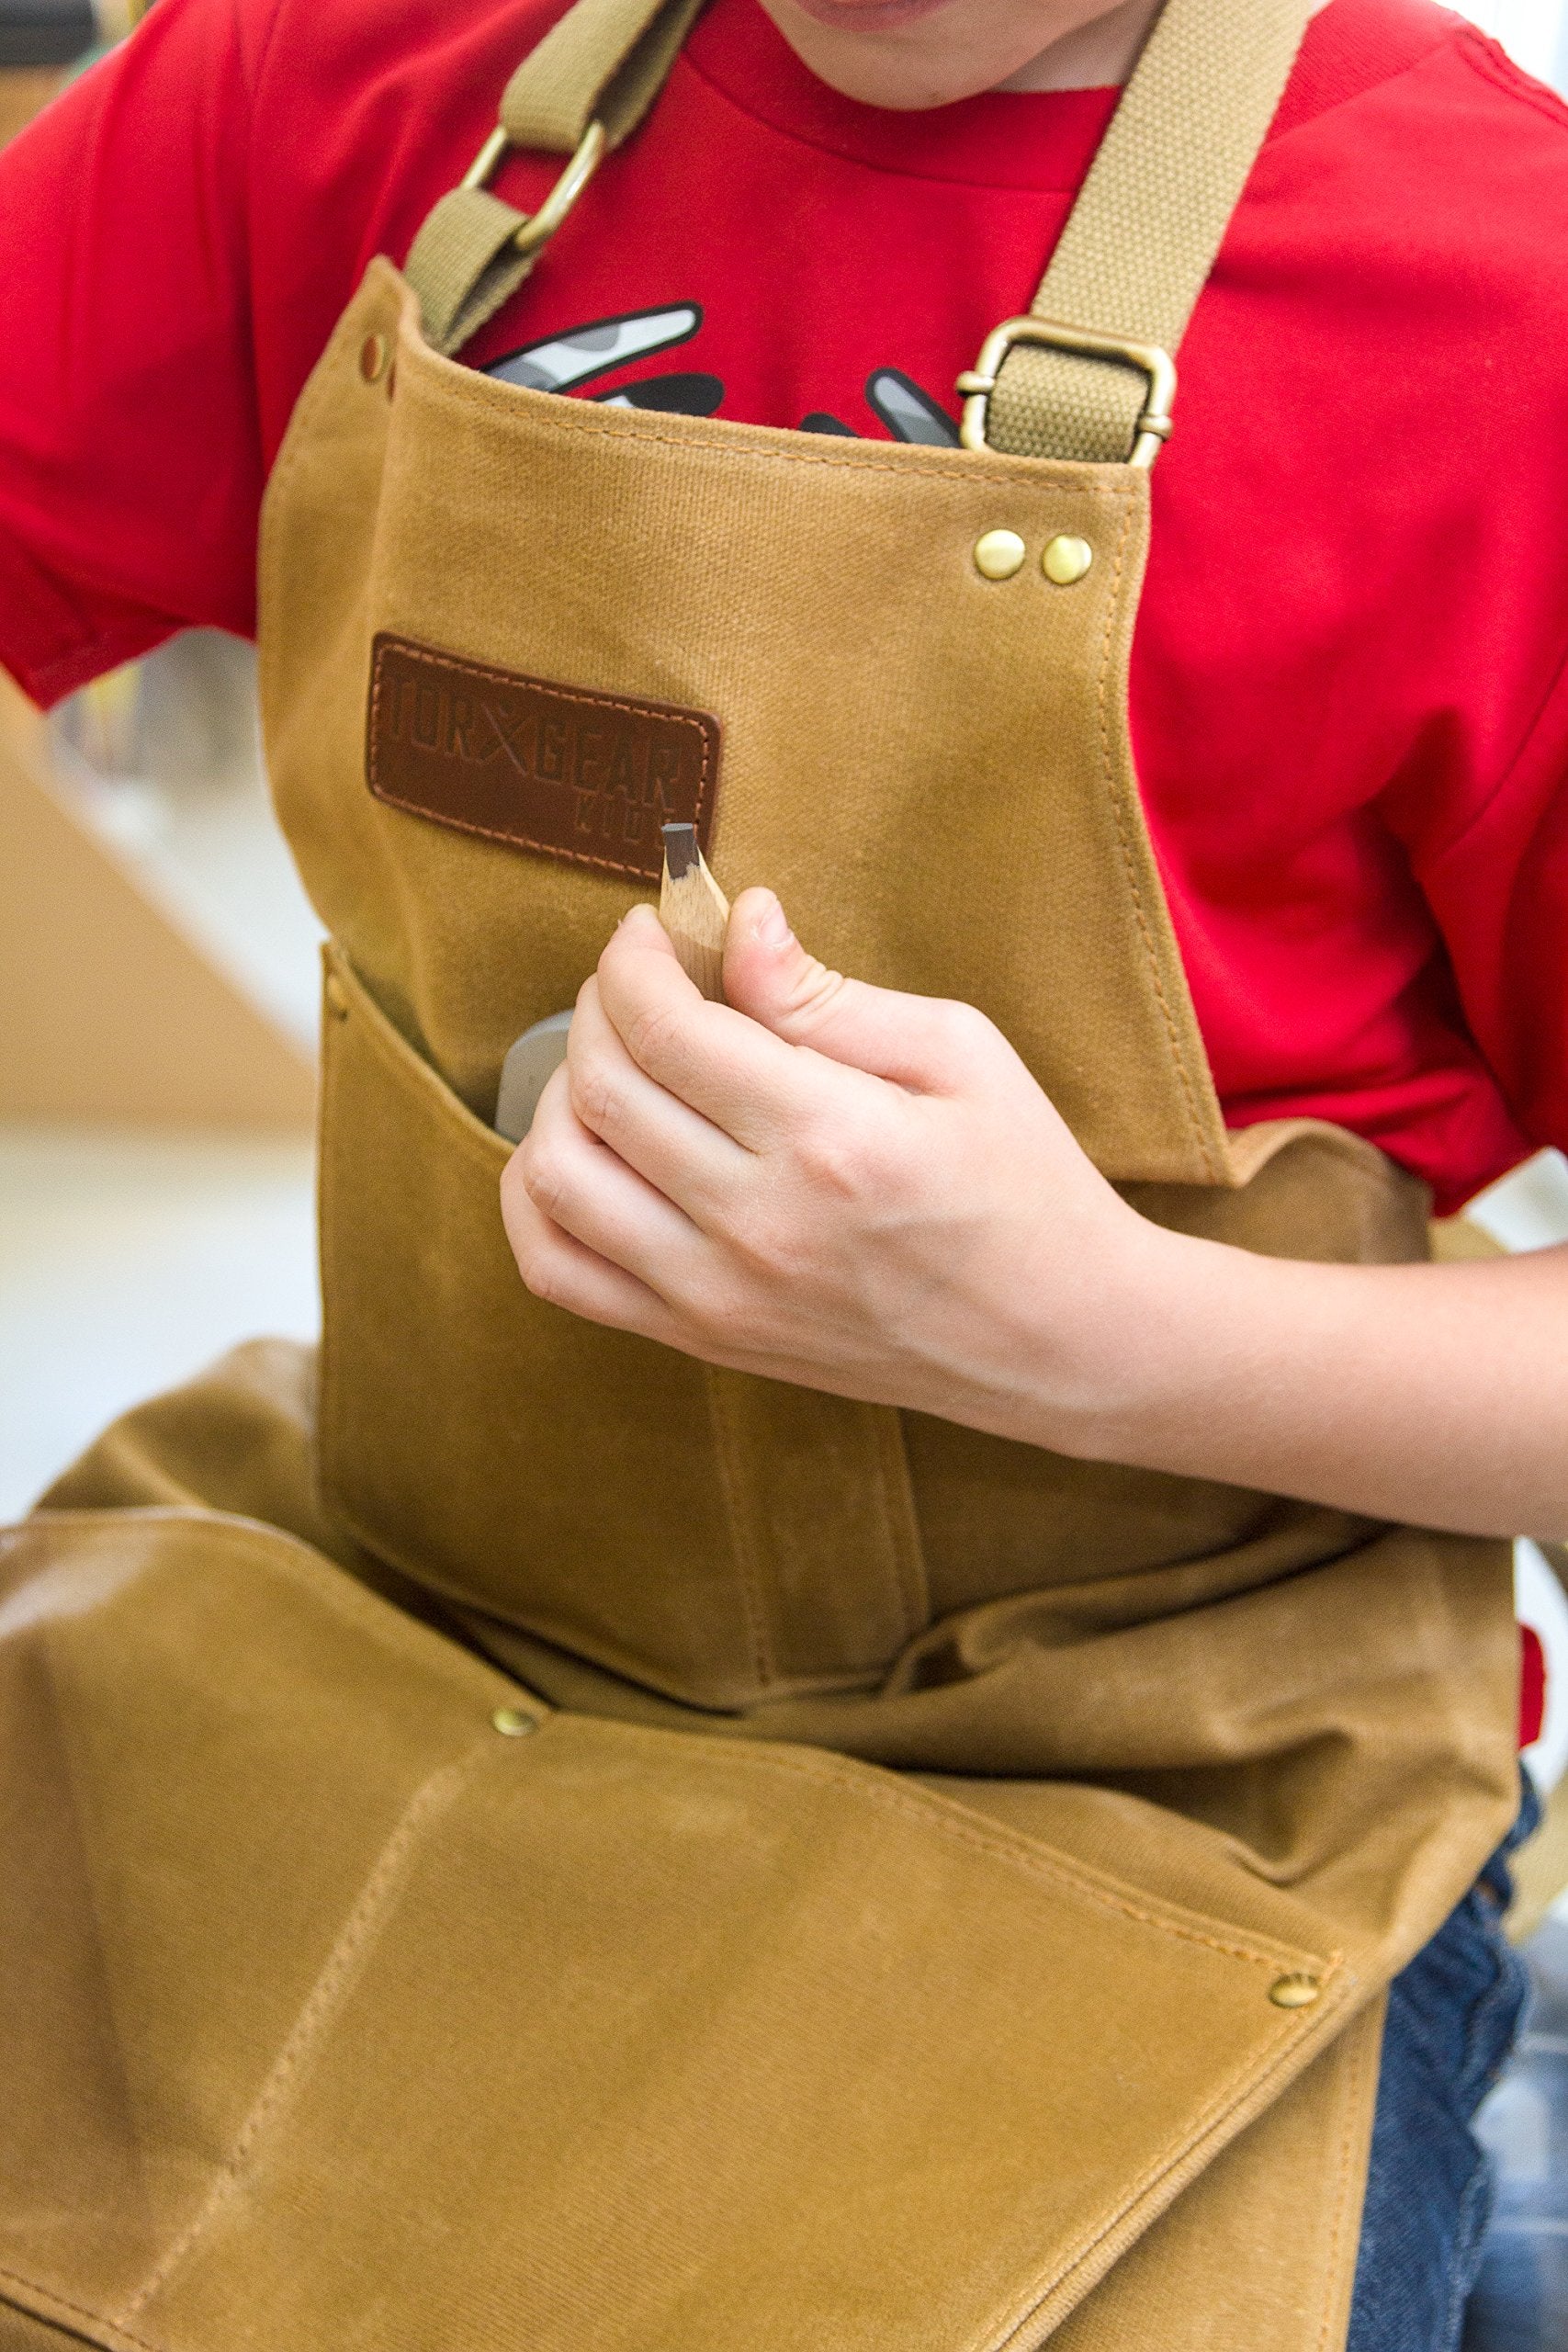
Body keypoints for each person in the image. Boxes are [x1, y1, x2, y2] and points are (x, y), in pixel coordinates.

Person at [0, 0, 1564, 2346]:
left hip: (1149, 1791)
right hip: (352, 1605)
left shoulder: (1495, 303)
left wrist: (1106, 1335)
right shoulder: (338, 87)